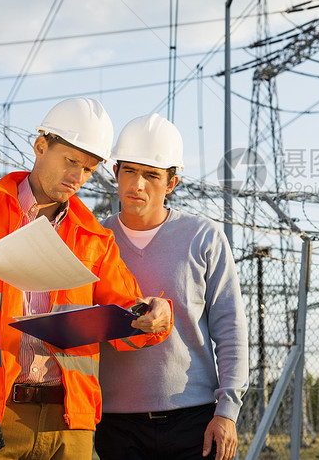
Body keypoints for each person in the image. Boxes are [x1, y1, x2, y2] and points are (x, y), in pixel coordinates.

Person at [0, 97, 173, 460]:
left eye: (88, 169)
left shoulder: (94, 238)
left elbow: (129, 323)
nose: (77, 177)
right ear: (41, 146)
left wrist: (153, 317)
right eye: (70, 161)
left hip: (70, 422)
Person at [95, 113, 248, 460]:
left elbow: (230, 327)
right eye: (130, 171)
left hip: (195, 419)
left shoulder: (203, 237)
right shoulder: (93, 240)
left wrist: (227, 411)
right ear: (115, 173)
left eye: (151, 175)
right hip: (116, 424)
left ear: (172, 183)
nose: (138, 185)